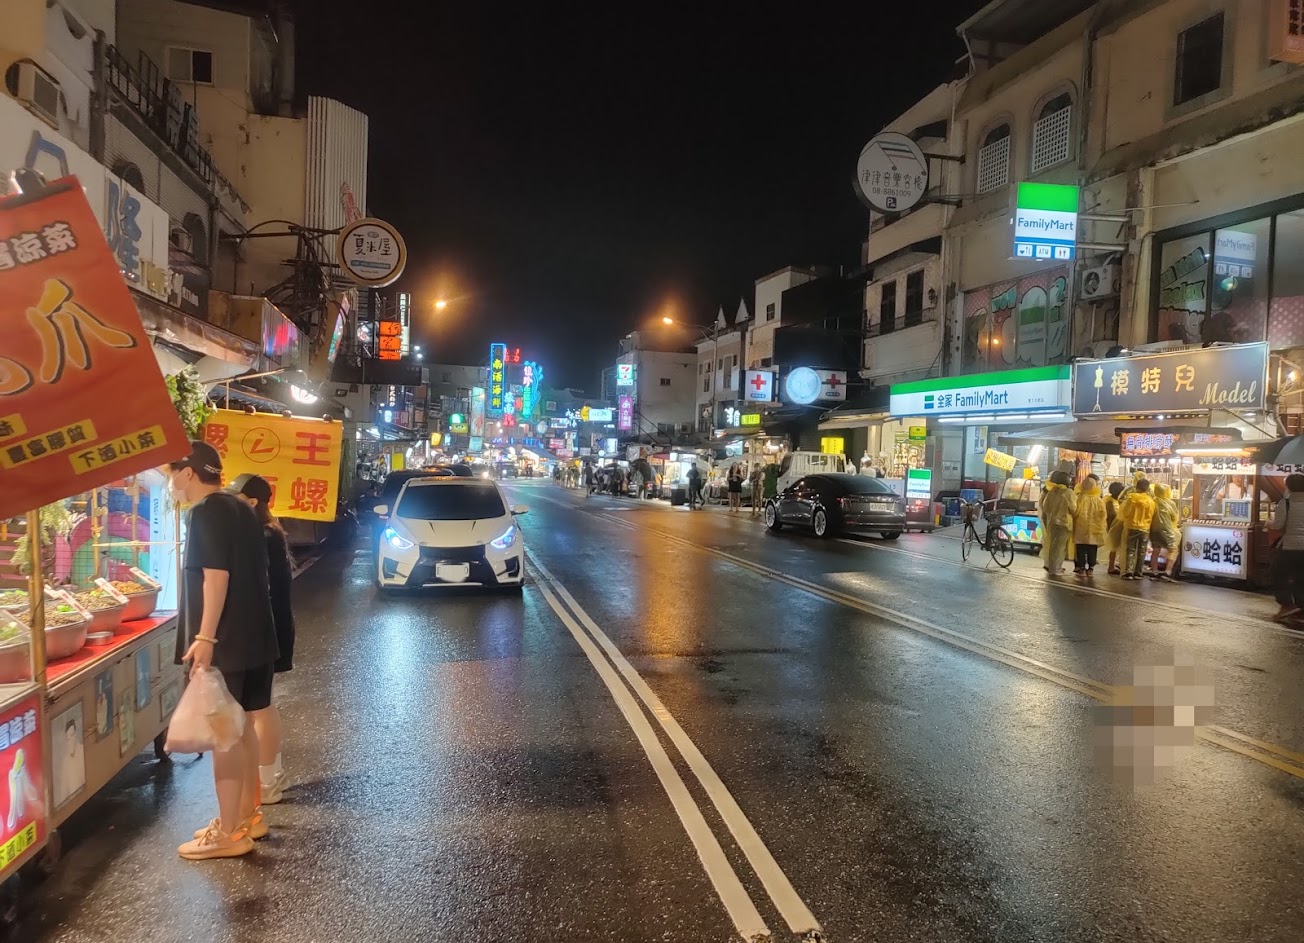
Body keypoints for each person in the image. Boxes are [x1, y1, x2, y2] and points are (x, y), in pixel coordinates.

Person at [167, 441, 279, 860]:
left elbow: (216, 577)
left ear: (188, 473)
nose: (171, 483)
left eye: (171, 474)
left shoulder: (206, 512)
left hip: (227, 641)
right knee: (242, 728)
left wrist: (205, 638)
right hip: (255, 638)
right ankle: (247, 818)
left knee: (224, 738)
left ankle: (229, 833)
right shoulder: (239, 507)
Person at [230, 473, 295, 805]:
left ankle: (267, 780)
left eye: (237, 498)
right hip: (269, 627)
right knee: (261, 705)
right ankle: (271, 775)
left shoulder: (261, 535)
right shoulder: (269, 531)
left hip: (263, 629)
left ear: (252, 502)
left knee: (259, 707)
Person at [1270, 473, 1304, 621]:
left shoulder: (1286, 503)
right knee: (1301, 577)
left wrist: (1269, 523)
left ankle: (1286, 605)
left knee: (1279, 575)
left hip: (1290, 547)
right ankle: (1301, 609)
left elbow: (1278, 525)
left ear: (1288, 486)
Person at [1118, 479, 1157, 581]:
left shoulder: (1132, 499)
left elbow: (1126, 513)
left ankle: (1128, 572)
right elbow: (1152, 515)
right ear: (1147, 489)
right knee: (1142, 551)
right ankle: (1138, 573)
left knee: (1130, 549)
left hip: (1132, 526)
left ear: (1136, 487)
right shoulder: (1151, 501)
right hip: (1145, 528)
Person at [1040, 470, 1076, 575]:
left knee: (1053, 545)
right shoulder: (1069, 492)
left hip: (1051, 522)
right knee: (1060, 546)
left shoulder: (1051, 491)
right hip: (1065, 523)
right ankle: (1056, 568)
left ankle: (1052, 567)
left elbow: (1045, 507)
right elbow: (1073, 508)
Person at [1073, 475, 1108, 576]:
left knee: (1081, 548)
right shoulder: (1099, 500)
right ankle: (1091, 569)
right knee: (1092, 548)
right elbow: (1103, 515)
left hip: (1081, 527)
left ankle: (1082, 569)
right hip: (1095, 529)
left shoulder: (1079, 498)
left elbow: (1075, 512)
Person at [1149, 482, 1182, 581]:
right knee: (1173, 549)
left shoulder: (1152, 502)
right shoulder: (1170, 503)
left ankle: (1154, 571)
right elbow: (1174, 517)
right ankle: (1167, 572)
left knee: (1156, 550)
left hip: (1154, 530)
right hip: (1167, 530)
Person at [1104, 481, 1126, 575]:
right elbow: (1111, 514)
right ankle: (1111, 567)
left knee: (1117, 547)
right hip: (1114, 527)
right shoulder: (1109, 501)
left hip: (1117, 526)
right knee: (1114, 547)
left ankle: (1115, 565)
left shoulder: (1116, 500)